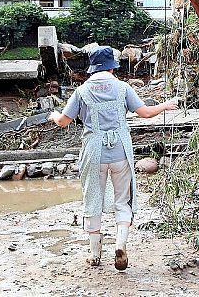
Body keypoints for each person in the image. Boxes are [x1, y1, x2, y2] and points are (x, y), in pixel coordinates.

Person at [48, 46, 178, 270]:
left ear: (92, 68)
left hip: (94, 153)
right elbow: (145, 113)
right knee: (122, 200)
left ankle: (95, 254)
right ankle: (120, 243)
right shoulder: (122, 88)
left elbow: (63, 122)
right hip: (120, 152)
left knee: (93, 199)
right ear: (112, 68)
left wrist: (53, 115)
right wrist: (165, 105)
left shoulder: (81, 92)